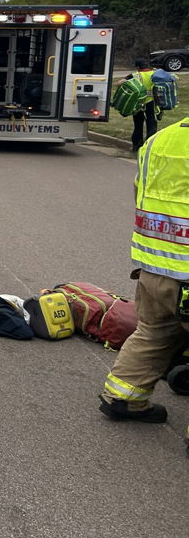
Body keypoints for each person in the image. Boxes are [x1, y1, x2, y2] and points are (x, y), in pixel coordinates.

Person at [98, 118, 189, 455]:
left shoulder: (159, 140)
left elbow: (141, 191)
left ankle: (123, 398)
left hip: (156, 267)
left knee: (154, 332)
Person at [129, 58, 158, 152]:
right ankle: (150, 147)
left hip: (139, 103)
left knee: (138, 125)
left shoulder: (135, 75)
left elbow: (120, 82)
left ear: (138, 67)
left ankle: (137, 146)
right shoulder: (155, 74)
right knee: (151, 124)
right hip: (152, 103)